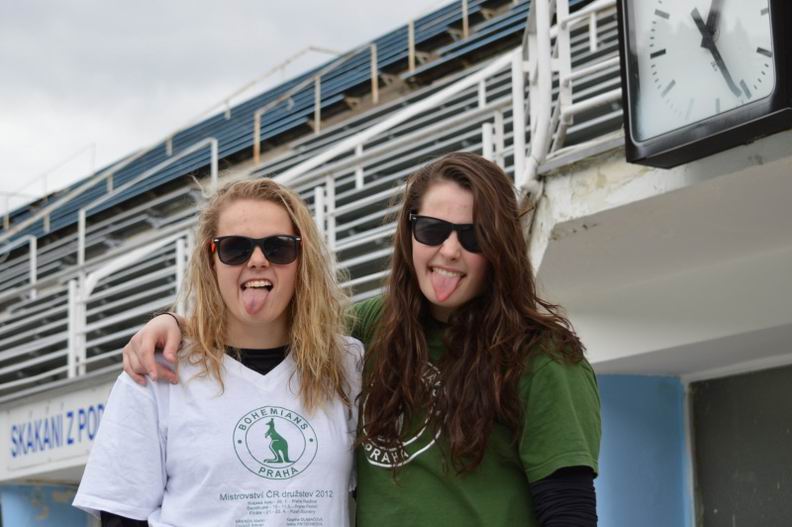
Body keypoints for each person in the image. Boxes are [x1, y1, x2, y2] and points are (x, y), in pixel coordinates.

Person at [123, 152, 601, 526]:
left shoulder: (542, 357)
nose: (449, 250)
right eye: (432, 230)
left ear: (501, 246)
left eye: (473, 236)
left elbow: (568, 512)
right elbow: (271, 317)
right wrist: (177, 322)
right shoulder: (373, 326)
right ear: (408, 234)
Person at [74, 179, 362, 527]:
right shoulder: (158, 369)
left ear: (303, 260)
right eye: (235, 248)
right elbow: (122, 518)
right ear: (211, 261)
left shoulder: (346, 364)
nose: (258, 260)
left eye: (278, 248)